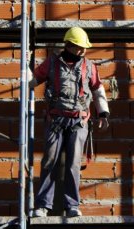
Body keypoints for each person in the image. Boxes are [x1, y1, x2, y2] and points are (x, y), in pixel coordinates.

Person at [30, 27, 110, 217]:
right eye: (78, 47)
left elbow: (98, 90)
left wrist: (103, 113)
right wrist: (25, 68)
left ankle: (72, 206)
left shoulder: (89, 66)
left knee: (74, 163)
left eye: (84, 48)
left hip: (78, 121)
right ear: (68, 45)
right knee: (50, 161)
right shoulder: (51, 63)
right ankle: (42, 205)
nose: (82, 51)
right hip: (55, 120)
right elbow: (32, 81)